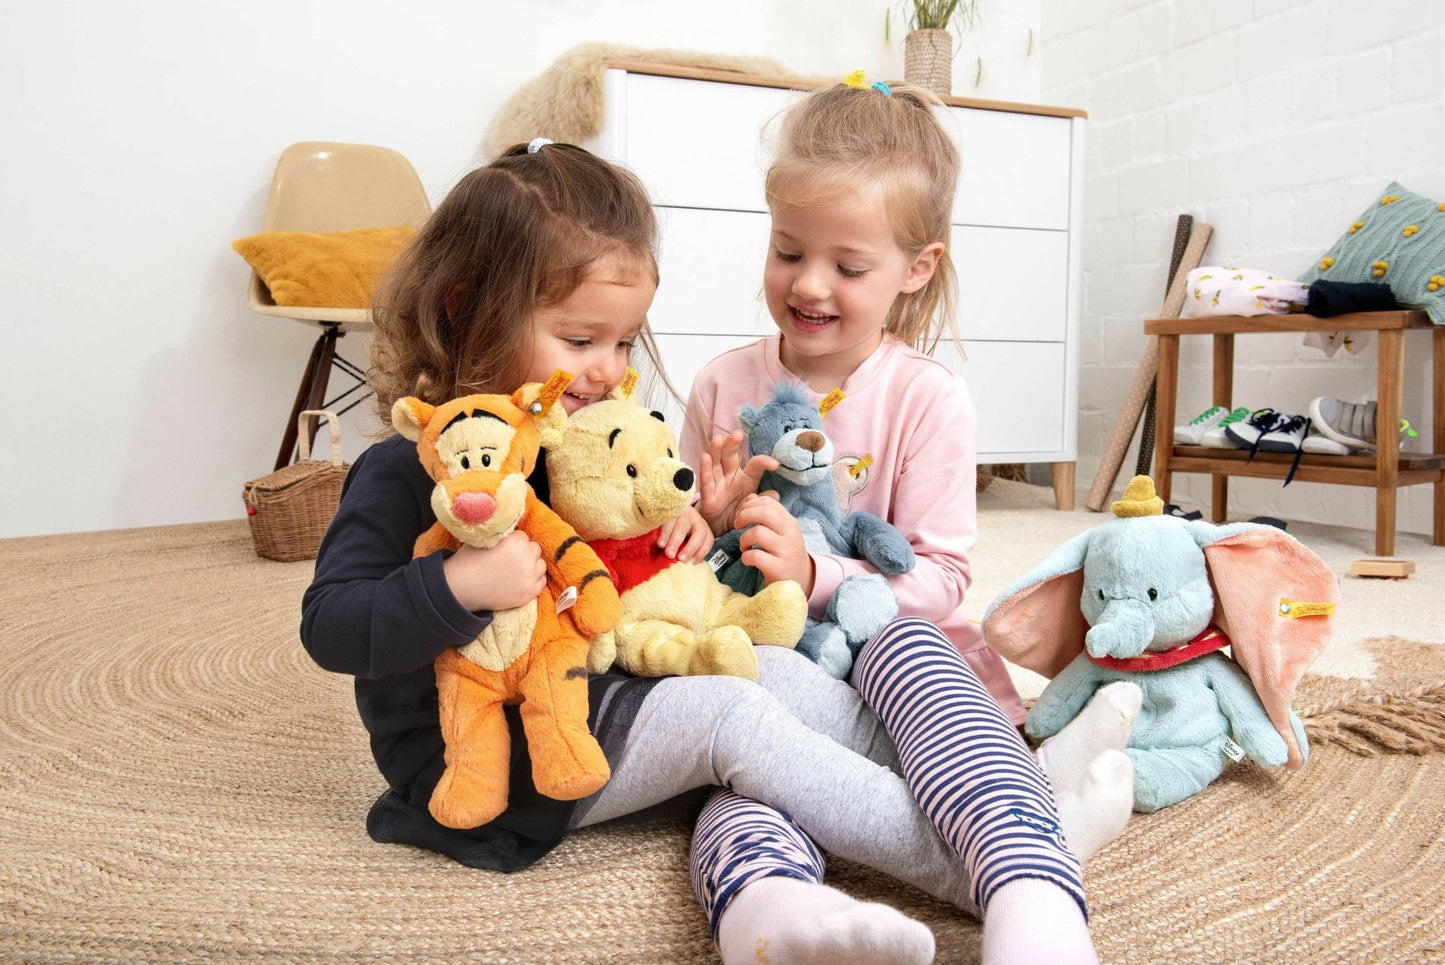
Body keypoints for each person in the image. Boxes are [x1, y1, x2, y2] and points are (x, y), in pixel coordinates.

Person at [301, 137, 1132, 965]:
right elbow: (330, 625)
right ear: (462, 310)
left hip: (599, 690)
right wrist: (458, 581)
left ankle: (1006, 814)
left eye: (623, 344)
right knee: (733, 715)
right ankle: (1016, 869)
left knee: (778, 674)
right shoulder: (400, 471)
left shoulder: (571, 455)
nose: (607, 371)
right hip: (490, 754)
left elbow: (624, 583)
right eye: (581, 339)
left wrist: (696, 528)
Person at [679, 80, 1138, 963]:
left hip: (907, 693)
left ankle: (1032, 899)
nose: (809, 284)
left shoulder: (925, 397)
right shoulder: (719, 385)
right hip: (784, 678)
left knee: (903, 643)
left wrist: (820, 579)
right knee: (733, 740)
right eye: (786, 252)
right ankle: (770, 913)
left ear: (915, 267)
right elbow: (682, 565)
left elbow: (940, 578)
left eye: (848, 267)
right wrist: (703, 522)